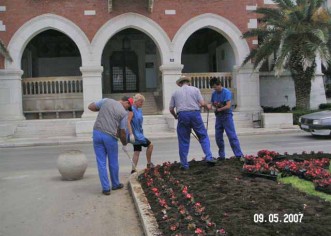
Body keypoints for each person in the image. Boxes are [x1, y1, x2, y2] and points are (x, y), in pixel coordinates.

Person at [88, 96, 133, 195]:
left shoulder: (106, 101)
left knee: (101, 162)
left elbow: (90, 106)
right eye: (128, 107)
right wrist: (125, 144)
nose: (127, 109)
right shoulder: (123, 113)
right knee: (113, 161)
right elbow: (122, 132)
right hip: (110, 136)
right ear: (126, 102)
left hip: (97, 133)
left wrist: (101, 108)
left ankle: (105, 188)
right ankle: (115, 184)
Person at [169, 75, 216, 170]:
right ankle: (208, 156)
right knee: (203, 136)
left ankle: (184, 164)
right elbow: (202, 104)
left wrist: (175, 116)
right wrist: (207, 106)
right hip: (195, 114)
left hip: (182, 115)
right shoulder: (195, 90)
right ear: (188, 82)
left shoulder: (175, 92)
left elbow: (171, 109)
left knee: (183, 140)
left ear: (180, 84)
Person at [207, 77, 244, 161]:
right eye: (213, 87)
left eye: (215, 87)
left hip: (227, 116)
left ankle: (239, 155)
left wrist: (218, 109)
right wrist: (210, 106)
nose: (215, 89)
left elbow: (228, 106)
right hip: (218, 117)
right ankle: (222, 156)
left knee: (231, 136)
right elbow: (212, 103)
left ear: (219, 84)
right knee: (218, 137)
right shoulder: (214, 94)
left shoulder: (226, 92)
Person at [127, 93, 154, 174]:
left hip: (139, 133)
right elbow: (128, 121)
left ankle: (133, 169)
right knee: (150, 145)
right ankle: (149, 164)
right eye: (141, 102)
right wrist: (131, 134)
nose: (142, 103)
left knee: (137, 151)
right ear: (136, 101)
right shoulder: (131, 109)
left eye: (143, 102)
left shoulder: (139, 110)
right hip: (136, 135)